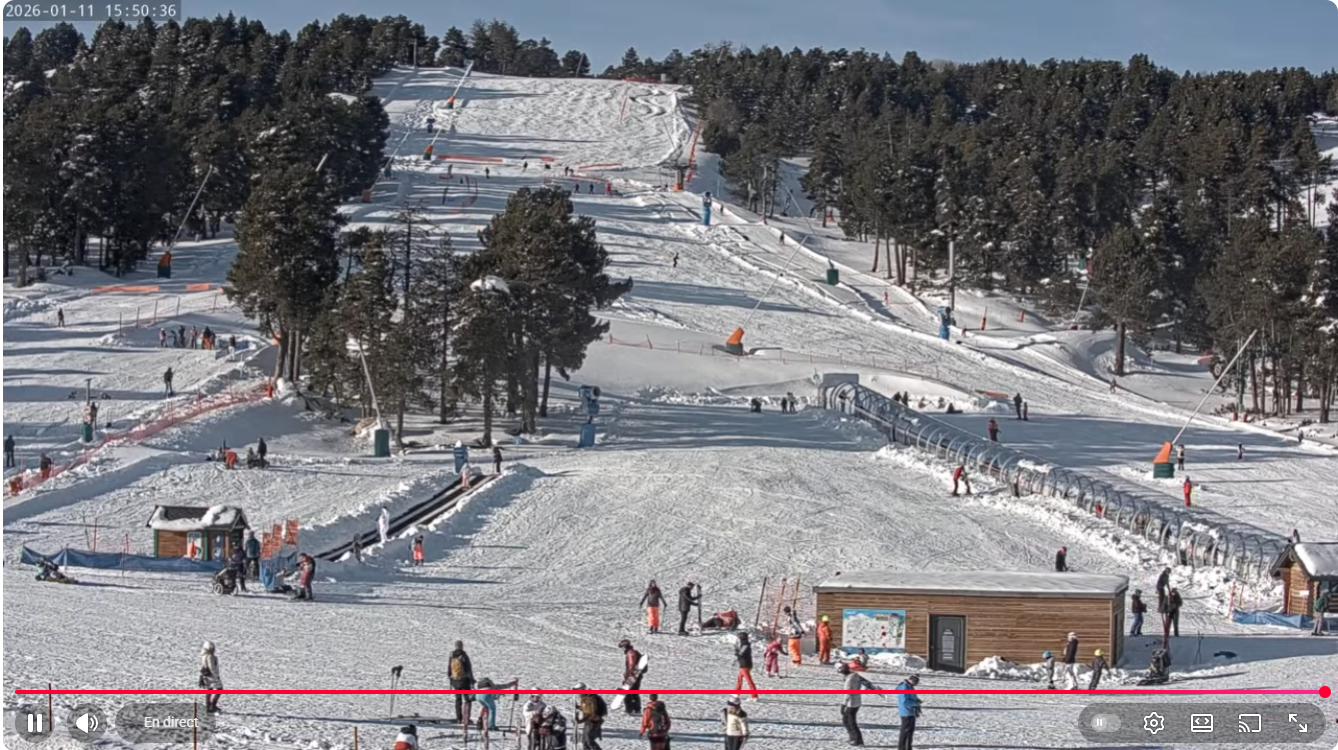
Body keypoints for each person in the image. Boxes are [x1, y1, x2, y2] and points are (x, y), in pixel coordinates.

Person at [838, 663, 876, 746]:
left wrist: (843, 705)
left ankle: (856, 739)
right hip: (857, 701)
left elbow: (848, 693)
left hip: (851, 703)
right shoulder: (855, 676)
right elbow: (866, 684)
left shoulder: (849, 679)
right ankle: (855, 738)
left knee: (849, 721)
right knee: (847, 720)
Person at [574, 683, 608, 750]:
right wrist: (578, 707)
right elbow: (586, 709)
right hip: (588, 721)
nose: (577, 693)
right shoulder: (585, 698)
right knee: (585, 742)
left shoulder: (590, 699)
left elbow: (591, 713)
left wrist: (580, 720)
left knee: (589, 740)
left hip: (593, 722)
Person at [449, 640, 475, 724]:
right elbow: (468, 669)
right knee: (467, 699)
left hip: (455, 680)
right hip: (464, 680)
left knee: (458, 700)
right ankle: (466, 718)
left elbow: (449, 668)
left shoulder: (452, 655)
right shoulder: (464, 655)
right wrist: (472, 680)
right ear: (462, 646)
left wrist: (451, 680)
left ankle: (459, 718)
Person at [896, 674, 922, 750]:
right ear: (911, 680)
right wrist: (915, 703)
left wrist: (916, 700)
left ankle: (908, 747)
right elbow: (905, 702)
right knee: (905, 731)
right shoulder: (904, 687)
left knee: (910, 731)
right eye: (915, 682)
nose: (915, 684)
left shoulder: (910, 687)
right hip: (906, 712)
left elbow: (911, 697)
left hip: (911, 712)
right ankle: (902, 748)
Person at [620, 639, 645, 715]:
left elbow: (631, 665)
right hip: (637, 675)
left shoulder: (630, 653)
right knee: (634, 692)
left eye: (622, 647)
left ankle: (629, 709)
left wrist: (628, 676)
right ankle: (637, 709)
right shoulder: (633, 652)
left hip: (632, 676)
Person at [199, 641, 223, 713]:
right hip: (212, 676)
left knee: (209, 690)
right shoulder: (210, 656)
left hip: (206, 675)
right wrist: (216, 676)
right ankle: (213, 705)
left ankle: (208, 706)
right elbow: (212, 667)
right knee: (219, 689)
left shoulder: (204, 655)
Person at [734, 632, 759, 699]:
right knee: (739, 678)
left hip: (745, 665)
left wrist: (736, 651)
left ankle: (754, 696)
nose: (738, 639)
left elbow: (741, 654)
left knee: (749, 680)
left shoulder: (745, 645)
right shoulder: (744, 644)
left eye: (739, 637)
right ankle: (736, 693)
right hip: (744, 664)